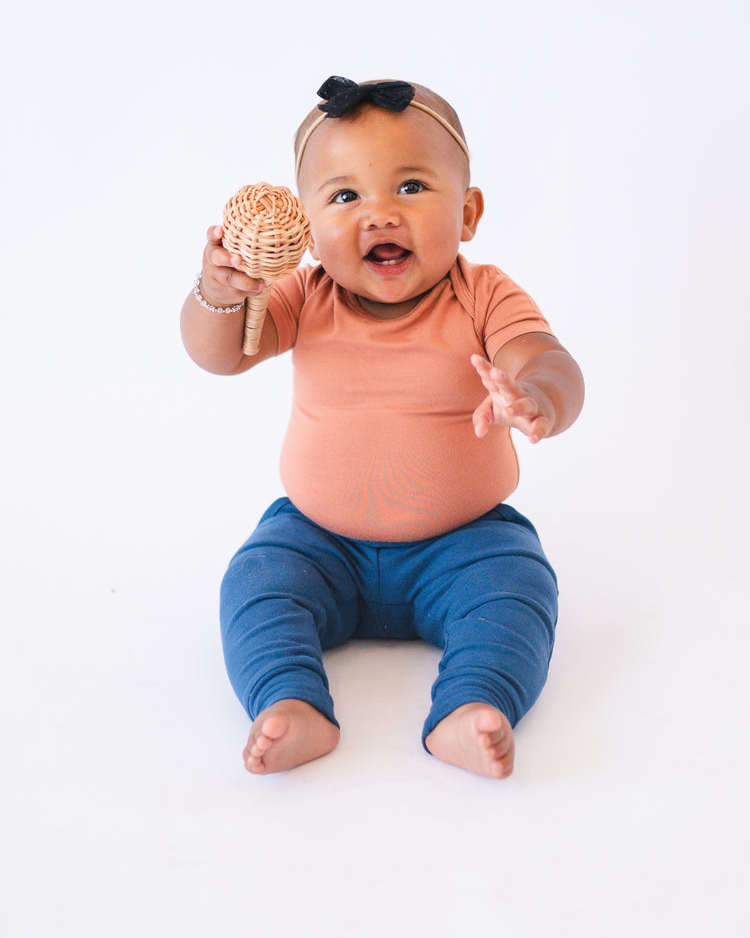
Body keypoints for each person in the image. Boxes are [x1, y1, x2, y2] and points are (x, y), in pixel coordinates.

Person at [180, 76, 584, 779]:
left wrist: (535, 393)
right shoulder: (304, 296)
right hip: (317, 539)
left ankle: (472, 704)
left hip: (466, 542)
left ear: (468, 211)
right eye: (345, 196)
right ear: (305, 227)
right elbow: (221, 356)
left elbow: (545, 358)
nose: (380, 215)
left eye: (411, 187)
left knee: (520, 588)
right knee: (255, 581)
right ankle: (289, 699)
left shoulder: (483, 293)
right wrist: (217, 294)